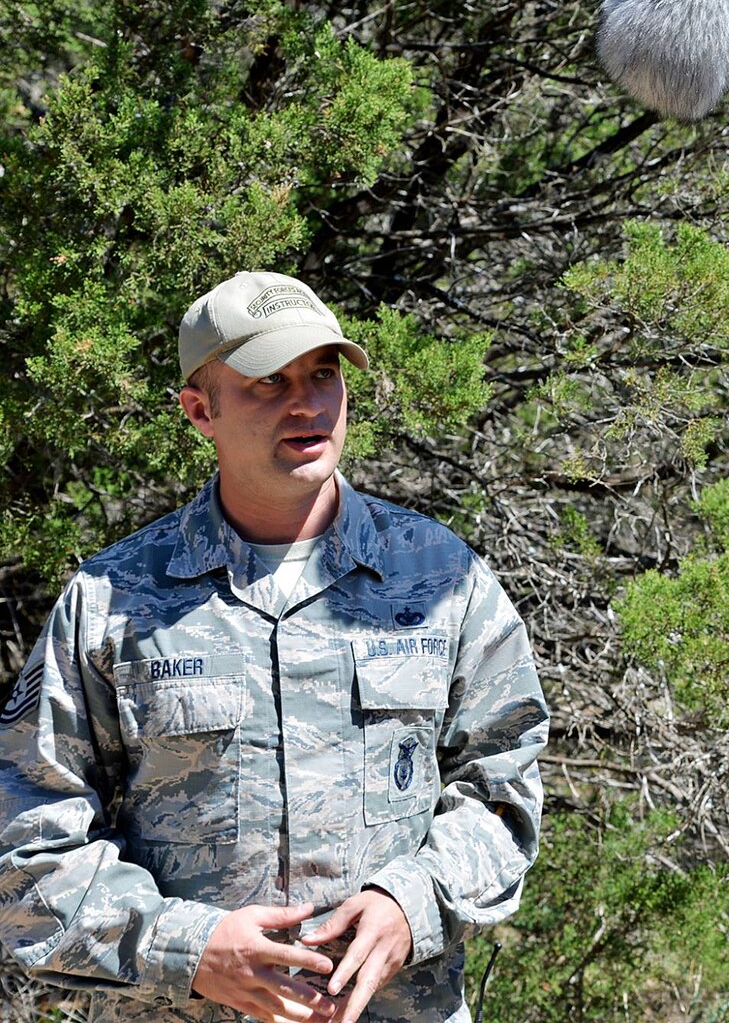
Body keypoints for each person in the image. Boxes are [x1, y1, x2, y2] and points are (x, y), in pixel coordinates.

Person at [0, 271, 550, 1023]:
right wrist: (185, 950)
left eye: (323, 374)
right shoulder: (112, 600)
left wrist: (411, 902)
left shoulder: (441, 576)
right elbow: (29, 851)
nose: (306, 402)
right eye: (268, 380)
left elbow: (501, 789)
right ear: (201, 410)